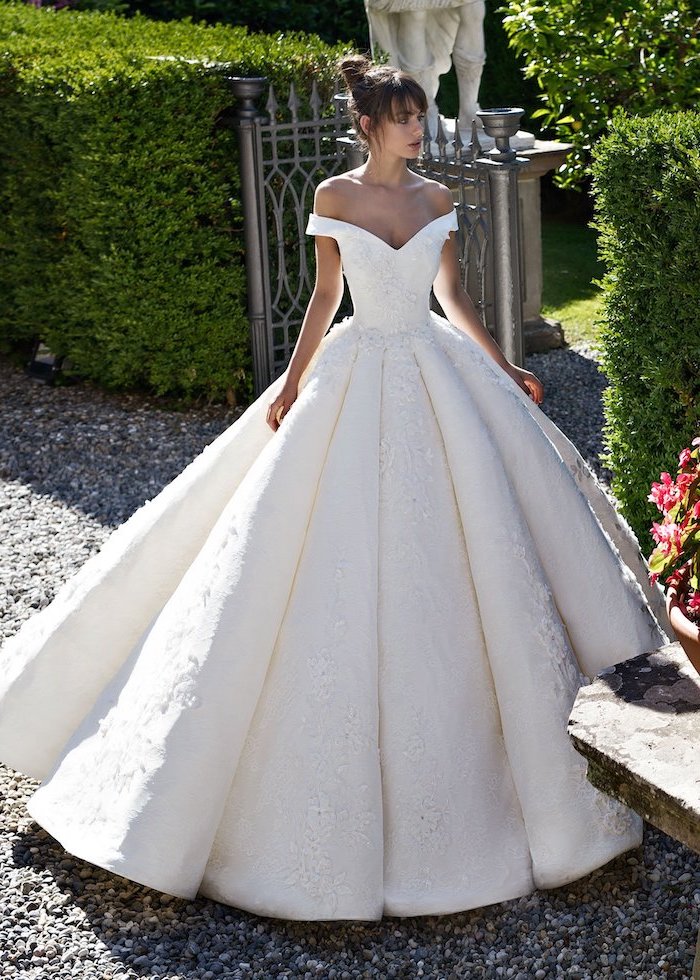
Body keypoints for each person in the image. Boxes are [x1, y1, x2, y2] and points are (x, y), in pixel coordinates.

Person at [0, 56, 666, 922]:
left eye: (422, 120)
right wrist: (291, 382)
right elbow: (323, 298)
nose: (419, 133)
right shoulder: (336, 197)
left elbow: (453, 293)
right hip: (356, 367)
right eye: (405, 120)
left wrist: (500, 361)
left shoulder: (434, 201)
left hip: (436, 368)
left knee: (483, 539)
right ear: (369, 123)